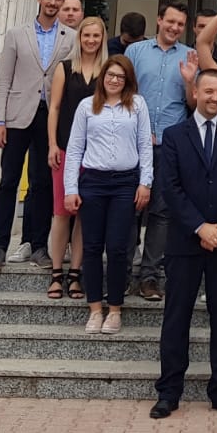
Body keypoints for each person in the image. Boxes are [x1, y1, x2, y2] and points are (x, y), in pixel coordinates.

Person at [151, 69, 217, 420]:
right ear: (195, 92)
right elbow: (170, 187)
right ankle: (169, 392)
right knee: (176, 316)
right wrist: (200, 227)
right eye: (208, 91)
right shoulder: (174, 135)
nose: (214, 97)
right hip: (185, 239)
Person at [0, 0, 78, 272]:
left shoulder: (71, 37)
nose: (53, 3)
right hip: (17, 115)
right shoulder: (17, 34)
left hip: (50, 117)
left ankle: (39, 246)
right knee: (8, 181)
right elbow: (3, 79)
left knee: (42, 182)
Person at [63, 54, 153, 333]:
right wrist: (70, 188)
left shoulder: (137, 104)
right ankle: (94, 309)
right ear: (102, 77)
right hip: (93, 182)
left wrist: (145, 182)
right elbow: (74, 149)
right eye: (110, 75)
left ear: (128, 80)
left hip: (125, 183)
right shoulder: (86, 106)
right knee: (91, 247)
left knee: (117, 247)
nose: (114, 80)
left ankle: (114, 309)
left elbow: (145, 145)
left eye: (120, 77)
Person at [127, 1, 194, 301]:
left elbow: (193, 104)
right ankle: (124, 270)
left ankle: (150, 276)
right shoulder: (135, 52)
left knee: (162, 212)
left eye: (180, 24)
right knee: (130, 208)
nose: (175, 28)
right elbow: (124, 93)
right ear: (159, 20)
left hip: (170, 145)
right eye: (171, 21)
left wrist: (191, 82)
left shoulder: (189, 55)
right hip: (135, 143)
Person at [44, 14, 107, 298]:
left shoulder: (107, 71)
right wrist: (52, 144)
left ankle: (75, 275)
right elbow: (54, 107)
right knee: (61, 213)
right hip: (66, 148)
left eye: (96, 36)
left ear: (102, 39)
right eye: (86, 35)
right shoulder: (65, 68)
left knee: (84, 215)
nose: (91, 40)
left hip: (95, 153)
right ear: (79, 37)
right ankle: (57, 273)